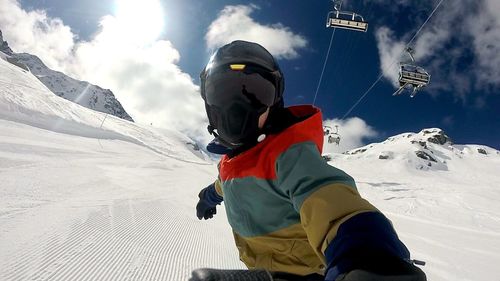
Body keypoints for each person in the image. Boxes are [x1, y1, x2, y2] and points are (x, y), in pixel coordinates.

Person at [196, 40, 426, 281]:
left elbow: (329, 201)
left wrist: (366, 258)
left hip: (306, 273)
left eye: (255, 94)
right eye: (220, 93)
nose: (236, 108)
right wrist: (208, 197)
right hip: (262, 268)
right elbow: (224, 184)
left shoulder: (287, 155)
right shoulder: (229, 163)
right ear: (209, 106)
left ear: (275, 103)